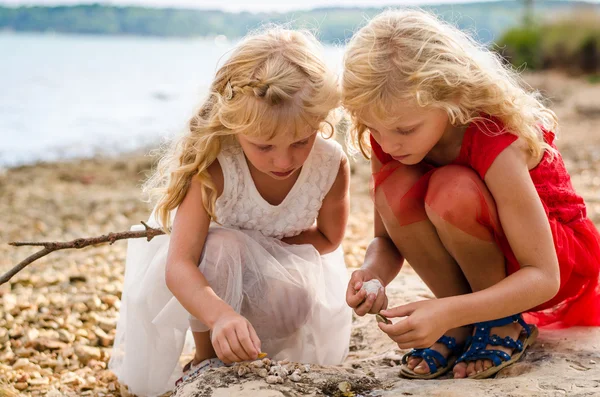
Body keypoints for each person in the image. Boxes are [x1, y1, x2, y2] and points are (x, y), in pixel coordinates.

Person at [342, 9, 600, 380]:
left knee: (452, 188)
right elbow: (387, 240)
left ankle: (498, 321)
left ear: (449, 98)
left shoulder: (492, 136)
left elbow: (545, 275)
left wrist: (447, 309)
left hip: (552, 256)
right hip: (487, 261)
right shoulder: (391, 131)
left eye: (404, 130)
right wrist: (372, 274)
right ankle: (464, 326)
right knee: (396, 189)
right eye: (373, 129)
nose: (387, 143)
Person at [109, 27, 352, 396]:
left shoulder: (330, 163)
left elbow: (330, 238)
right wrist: (220, 314)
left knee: (293, 287)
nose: (284, 160)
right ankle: (205, 358)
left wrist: (271, 253)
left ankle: (259, 349)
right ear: (234, 126)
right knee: (225, 246)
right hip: (212, 289)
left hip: (287, 288)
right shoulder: (217, 167)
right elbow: (179, 266)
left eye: (302, 141)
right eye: (264, 146)